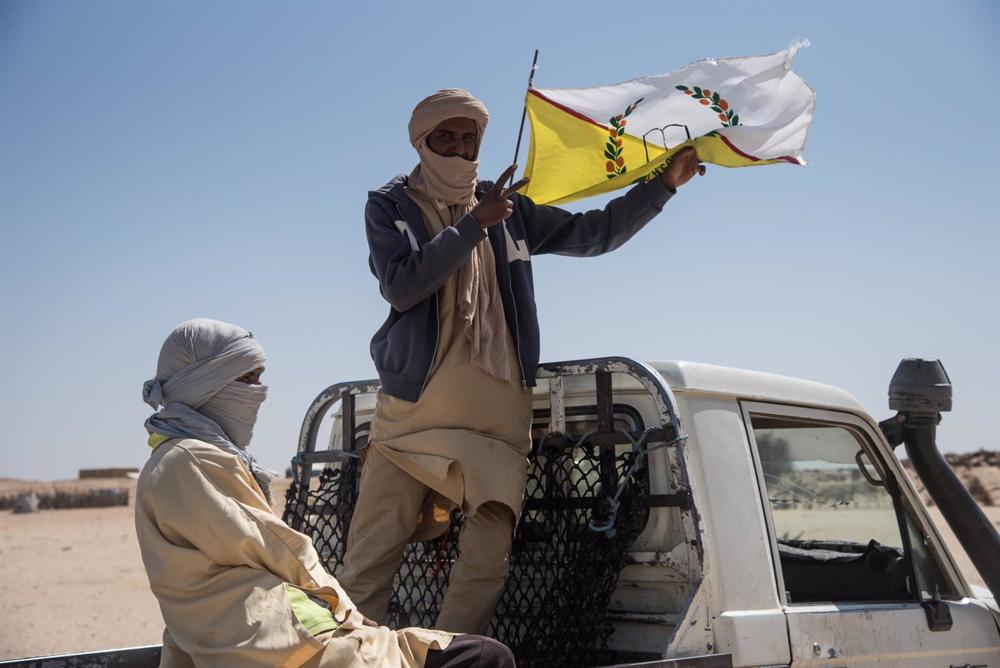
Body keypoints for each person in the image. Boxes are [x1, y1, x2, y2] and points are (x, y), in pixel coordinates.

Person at [340, 89, 705, 635]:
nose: (461, 149)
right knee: (370, 556)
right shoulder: (390, 205)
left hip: (497, 419)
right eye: (447, 137)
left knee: (486, 565)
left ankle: (452, 657)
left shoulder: (506, 206)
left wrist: (662, 188)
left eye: (470, 138)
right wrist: (472, 226)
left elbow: (594, 233)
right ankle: (349, 655)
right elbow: (402, 286)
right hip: (411, 416)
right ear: (422, 141)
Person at [136, 317, 516, 668]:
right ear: (205, 384)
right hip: (285, 644)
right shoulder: (194, 458)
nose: (258, 393)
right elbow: (280, 549)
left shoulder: (167, 464)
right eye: (246, 380)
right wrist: (352, 614)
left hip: (266, 640)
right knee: (484, 656)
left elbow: (184, 596)